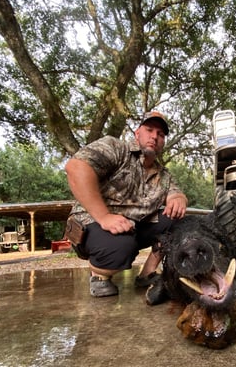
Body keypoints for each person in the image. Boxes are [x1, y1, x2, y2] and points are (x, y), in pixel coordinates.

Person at [65, 111, 188, 297]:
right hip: (92, 223)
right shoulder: (116, 148)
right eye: (149, 130)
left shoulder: (163, 174)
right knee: (121, 248)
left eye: (160, 134)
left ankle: (147, 274)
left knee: (178, 221)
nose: (154, 136)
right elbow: (76, 167)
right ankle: (99, 275)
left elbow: (176, 193)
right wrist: (104, 217)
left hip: (132, 227)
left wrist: (178, 199)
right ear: (137, 133)